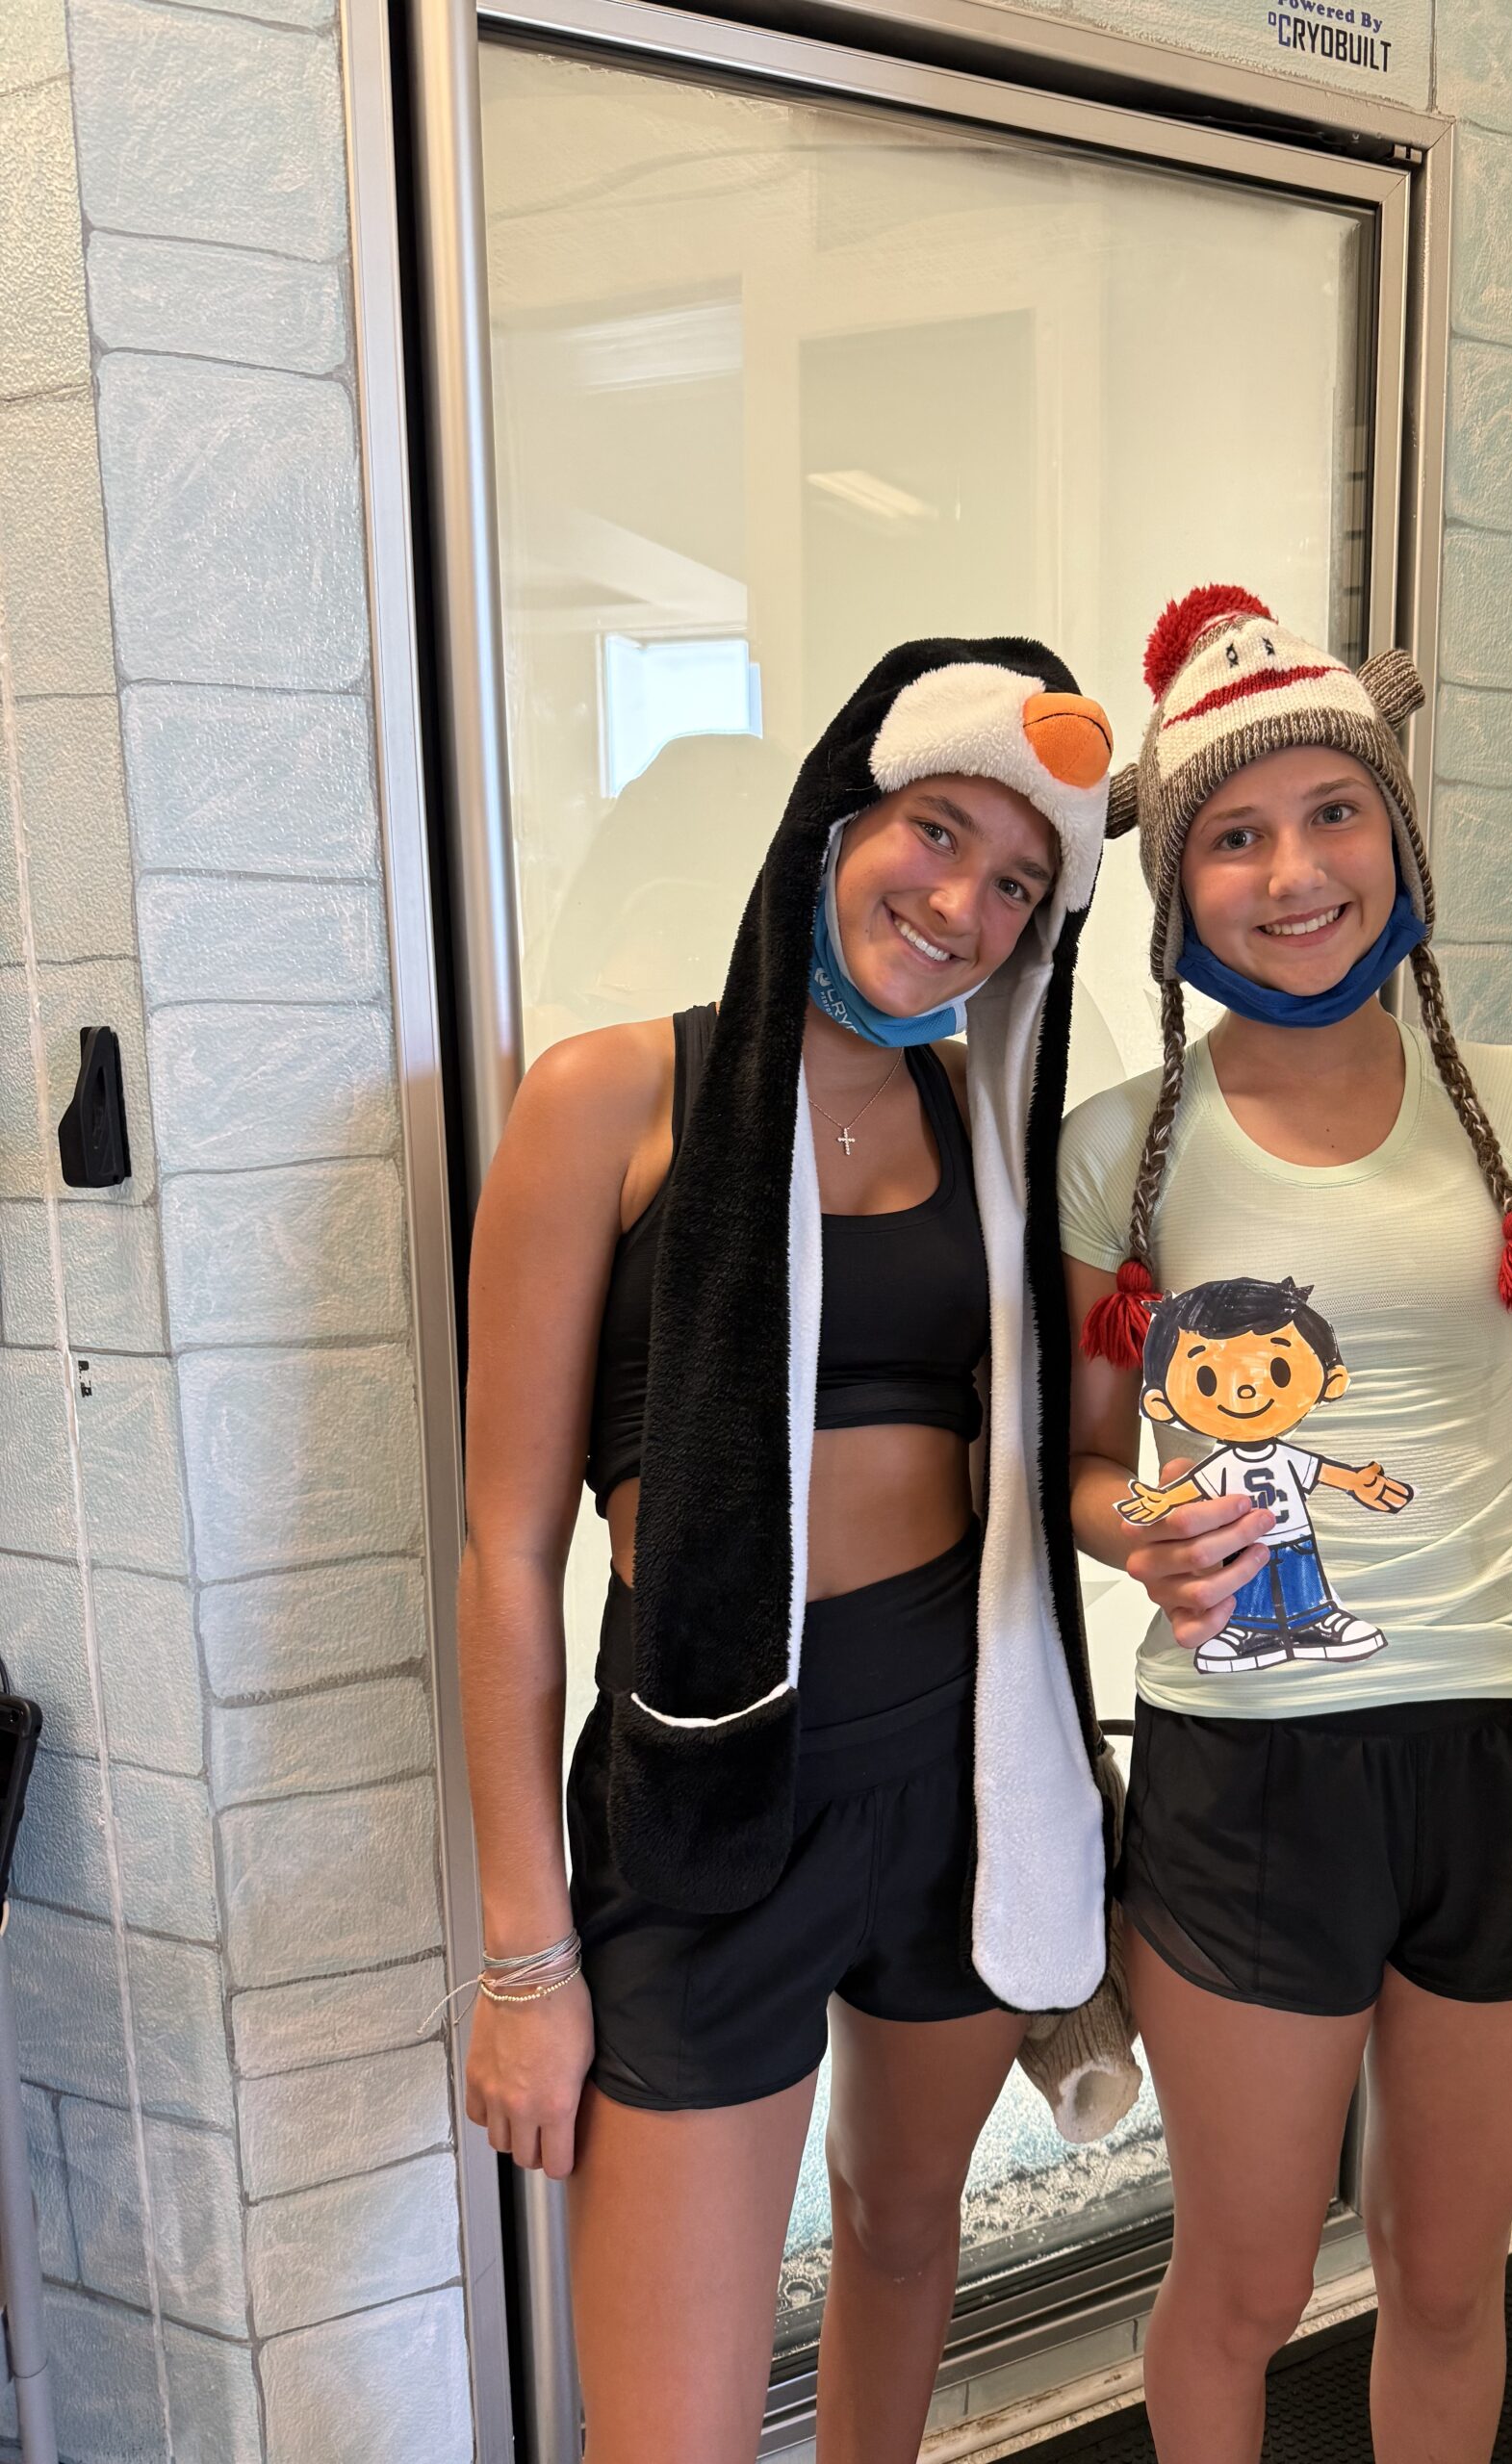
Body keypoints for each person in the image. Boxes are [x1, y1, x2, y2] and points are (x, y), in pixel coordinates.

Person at [1061, 586, 1512, 2464]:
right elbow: (1071, 1464)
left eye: (1333, 811)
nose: (1295, 872)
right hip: (1250, 1772)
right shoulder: (1122, 1145)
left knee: (1450, 2278)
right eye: (1236, 835)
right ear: (1178, 887)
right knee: (1242, 2283)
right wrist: (1136, 1527)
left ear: (1395, 828)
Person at [458, 637, 1120, 2463]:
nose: (965, 904)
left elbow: (1049, 1457)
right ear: (840, 817)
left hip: (959, 1772)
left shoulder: (985, 1128)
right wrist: (525, 1956)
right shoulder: (609, 1097)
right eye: (938, 832)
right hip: (704, 1787)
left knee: (903, 2240)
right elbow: (506, 1548)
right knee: (668, 2426)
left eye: (1020, 882)